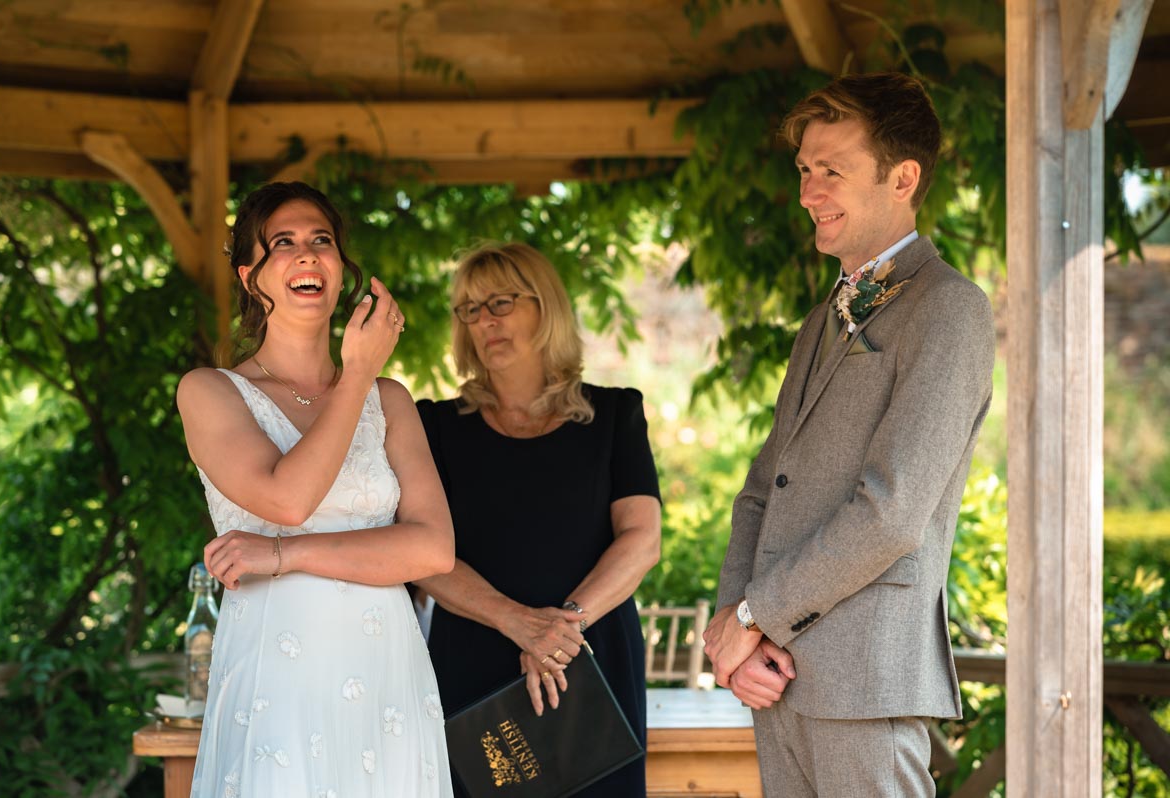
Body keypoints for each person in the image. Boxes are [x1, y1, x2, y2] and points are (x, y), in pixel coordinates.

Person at [703, 73, 995, 797]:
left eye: (830, 170)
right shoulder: (821, 319)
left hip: (867, 682)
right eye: (804, 170)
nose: (807, 192)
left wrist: (754, 615)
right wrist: (735, 634)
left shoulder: (950, 308)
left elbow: (892, 513)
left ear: (903, 178)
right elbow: (761, 490)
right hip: (777, 680)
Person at [176, 181, 456, 797]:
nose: (306, 254)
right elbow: (288, 500)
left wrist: (284, 554)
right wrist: (357, 371)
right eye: (283, 244)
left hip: (388, 676)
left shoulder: (391, 401)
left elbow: (433, 551)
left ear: (340, 267)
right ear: (252, 278)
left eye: (320, 240)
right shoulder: (209, 391)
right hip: (279, 677)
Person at [415, 242, 662, 797]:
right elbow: (420, 556)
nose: (484, 321)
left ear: (545, 307)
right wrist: (517, 623)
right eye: (470, 310)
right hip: (474, 662)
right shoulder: (432, 427)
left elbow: (642, 540)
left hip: (590, 654)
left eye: (500, 302)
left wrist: (559, 630)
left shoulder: (615, 415)